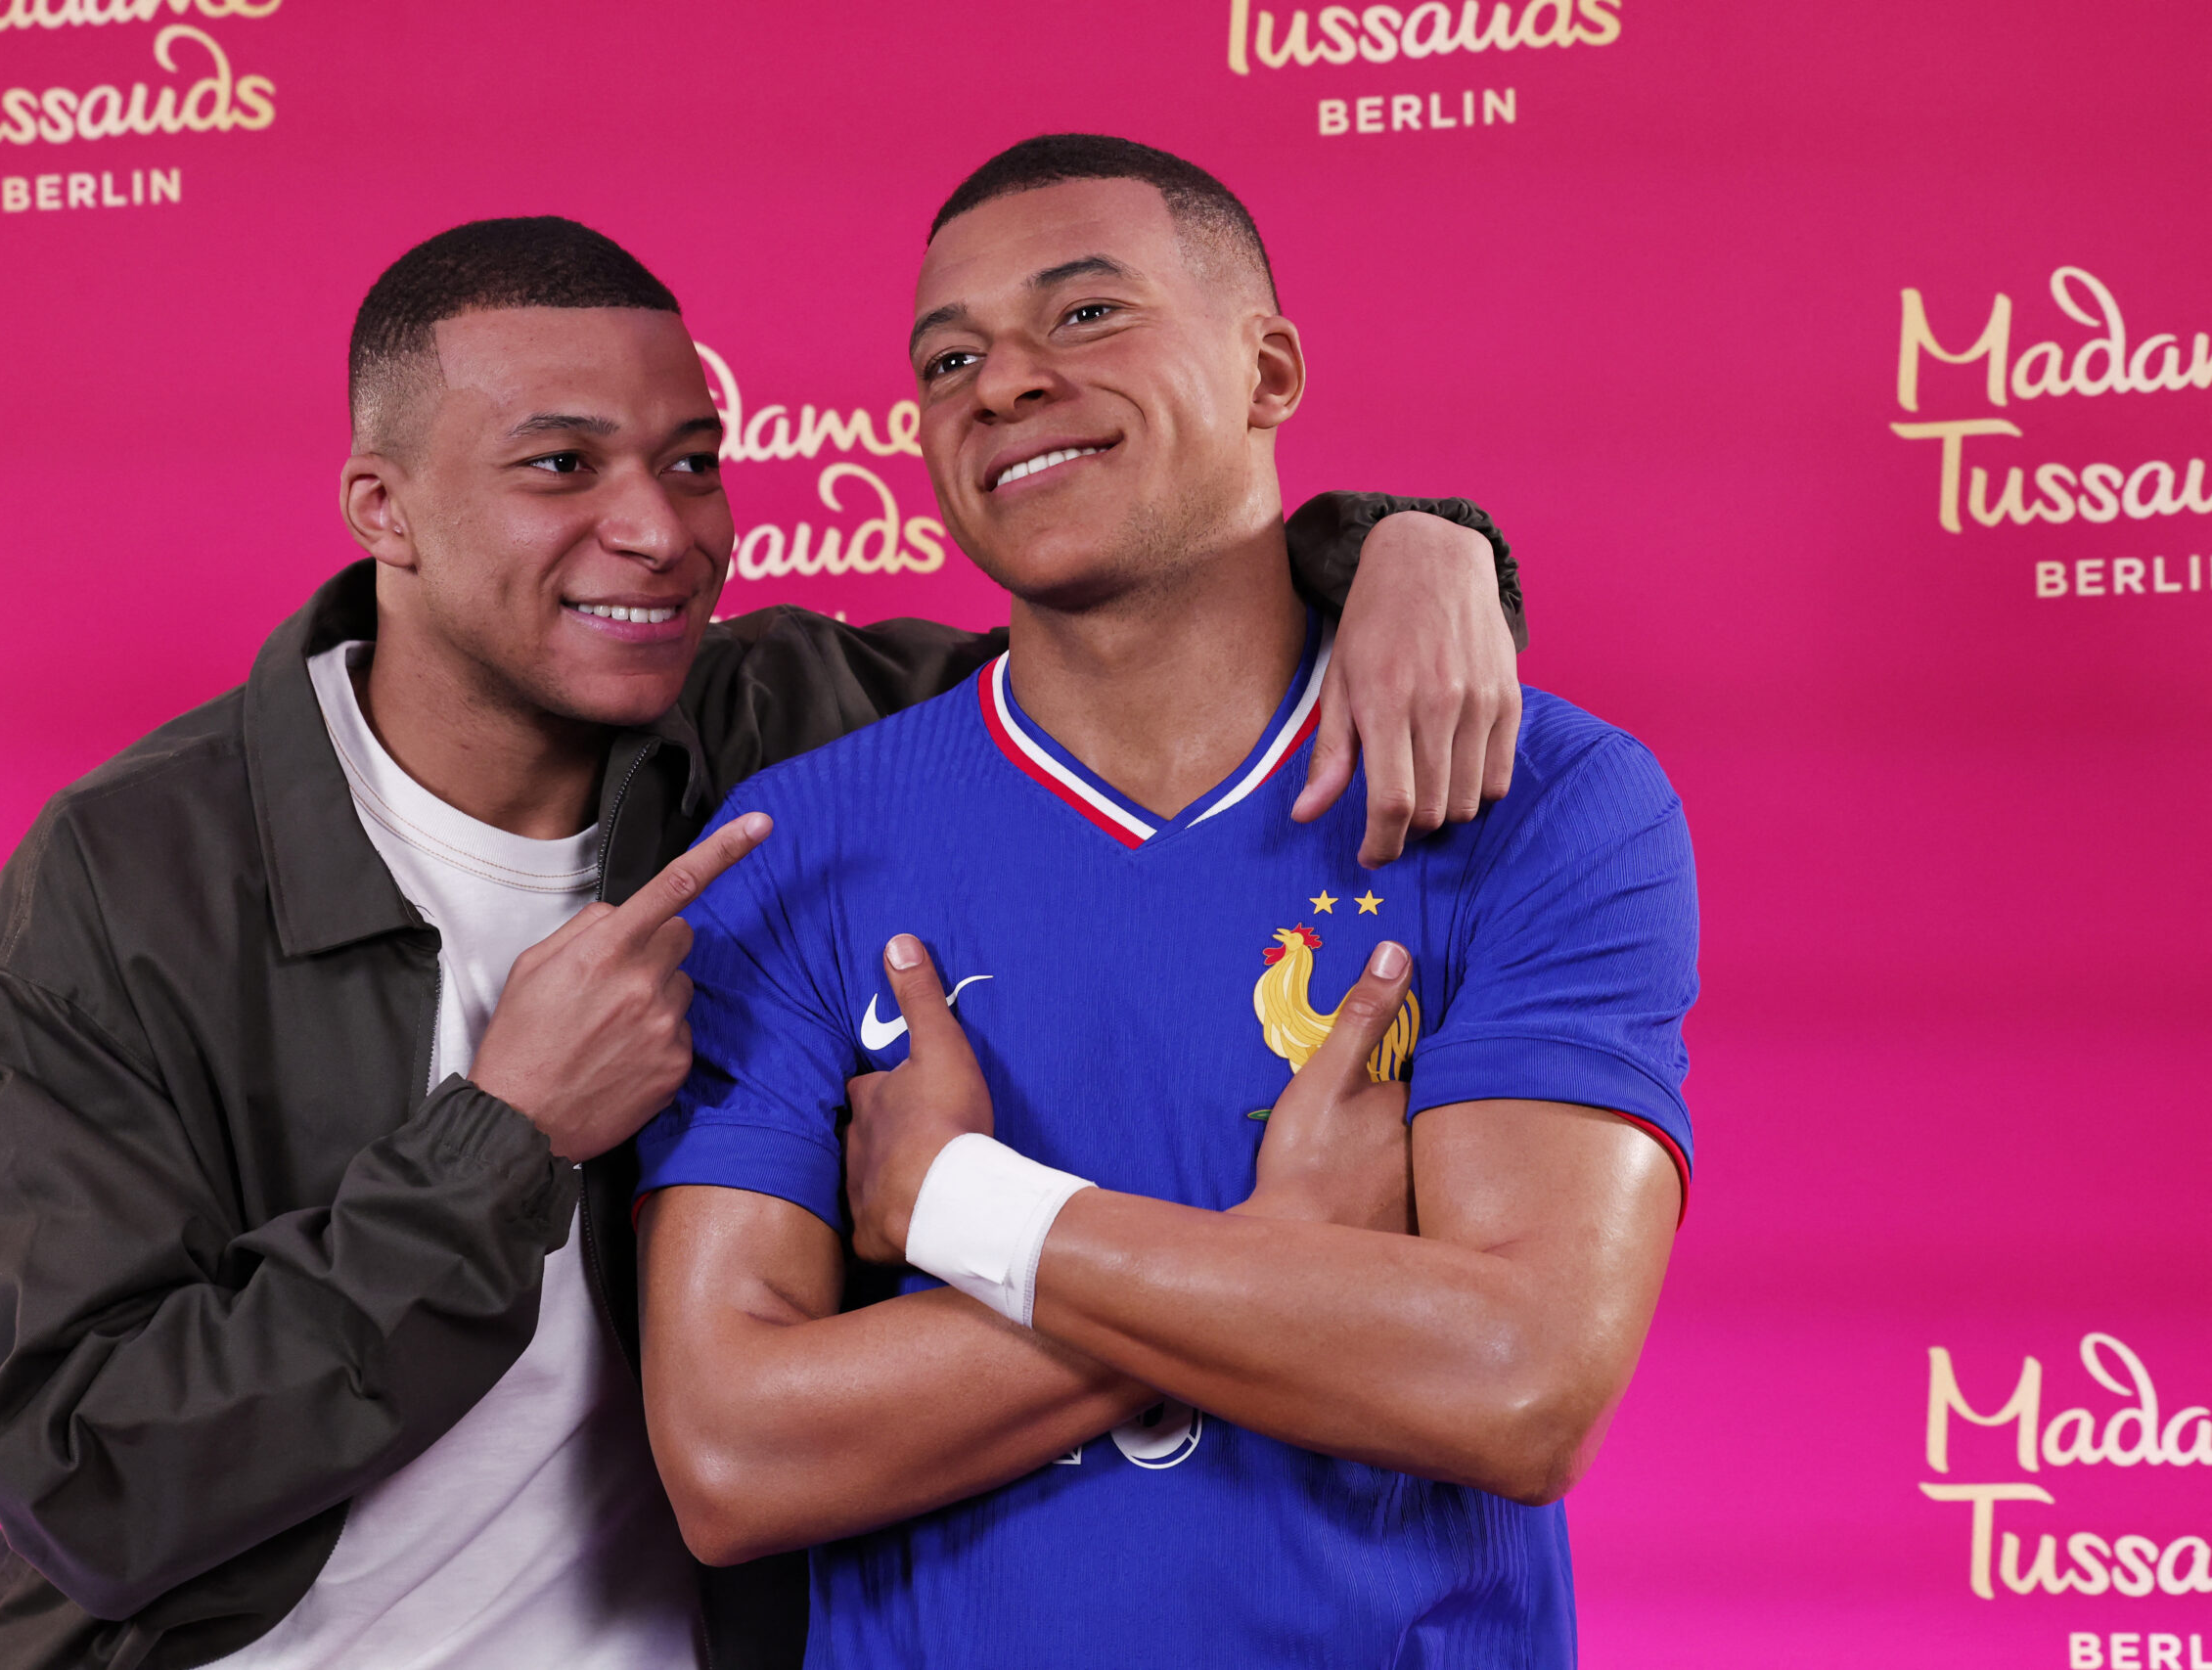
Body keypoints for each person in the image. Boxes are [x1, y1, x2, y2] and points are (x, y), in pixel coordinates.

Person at [0, 210, 1530, 1670]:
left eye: (692, 461)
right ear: (386, 508)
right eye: (561, 467)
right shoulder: (125, 880)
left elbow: (1150, 653)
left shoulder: (801, 738)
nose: (658, 529)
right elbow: (97, 1482)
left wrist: (1411, 548)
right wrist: (501, 1143)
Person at [633, 135, 1695, 1668]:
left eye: (1084, 317)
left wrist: (961, 1208)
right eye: (948, 358)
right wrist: (1285, 1251)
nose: (997, 385)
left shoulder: (1539, 800)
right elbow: (734, 1457)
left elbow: (1520, 1384)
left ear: (1268, 372)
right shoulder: (799, 845)